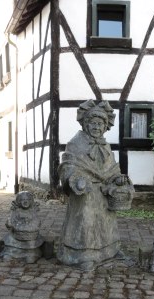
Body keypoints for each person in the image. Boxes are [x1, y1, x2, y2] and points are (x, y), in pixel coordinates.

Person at [57, 99, 133, 271]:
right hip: (85, 193)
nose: (97, 127)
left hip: (104, 193)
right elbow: (67, 165)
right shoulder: (75, 144)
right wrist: (76, 179)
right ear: (85, 124)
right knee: (86, 221)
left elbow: (112, 169)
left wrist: (118, 179)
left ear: (105, 126)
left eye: (101, 124)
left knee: (106, 222)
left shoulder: (105, 145)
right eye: (93, 123)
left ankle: (110, 251)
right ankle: (84, 255)